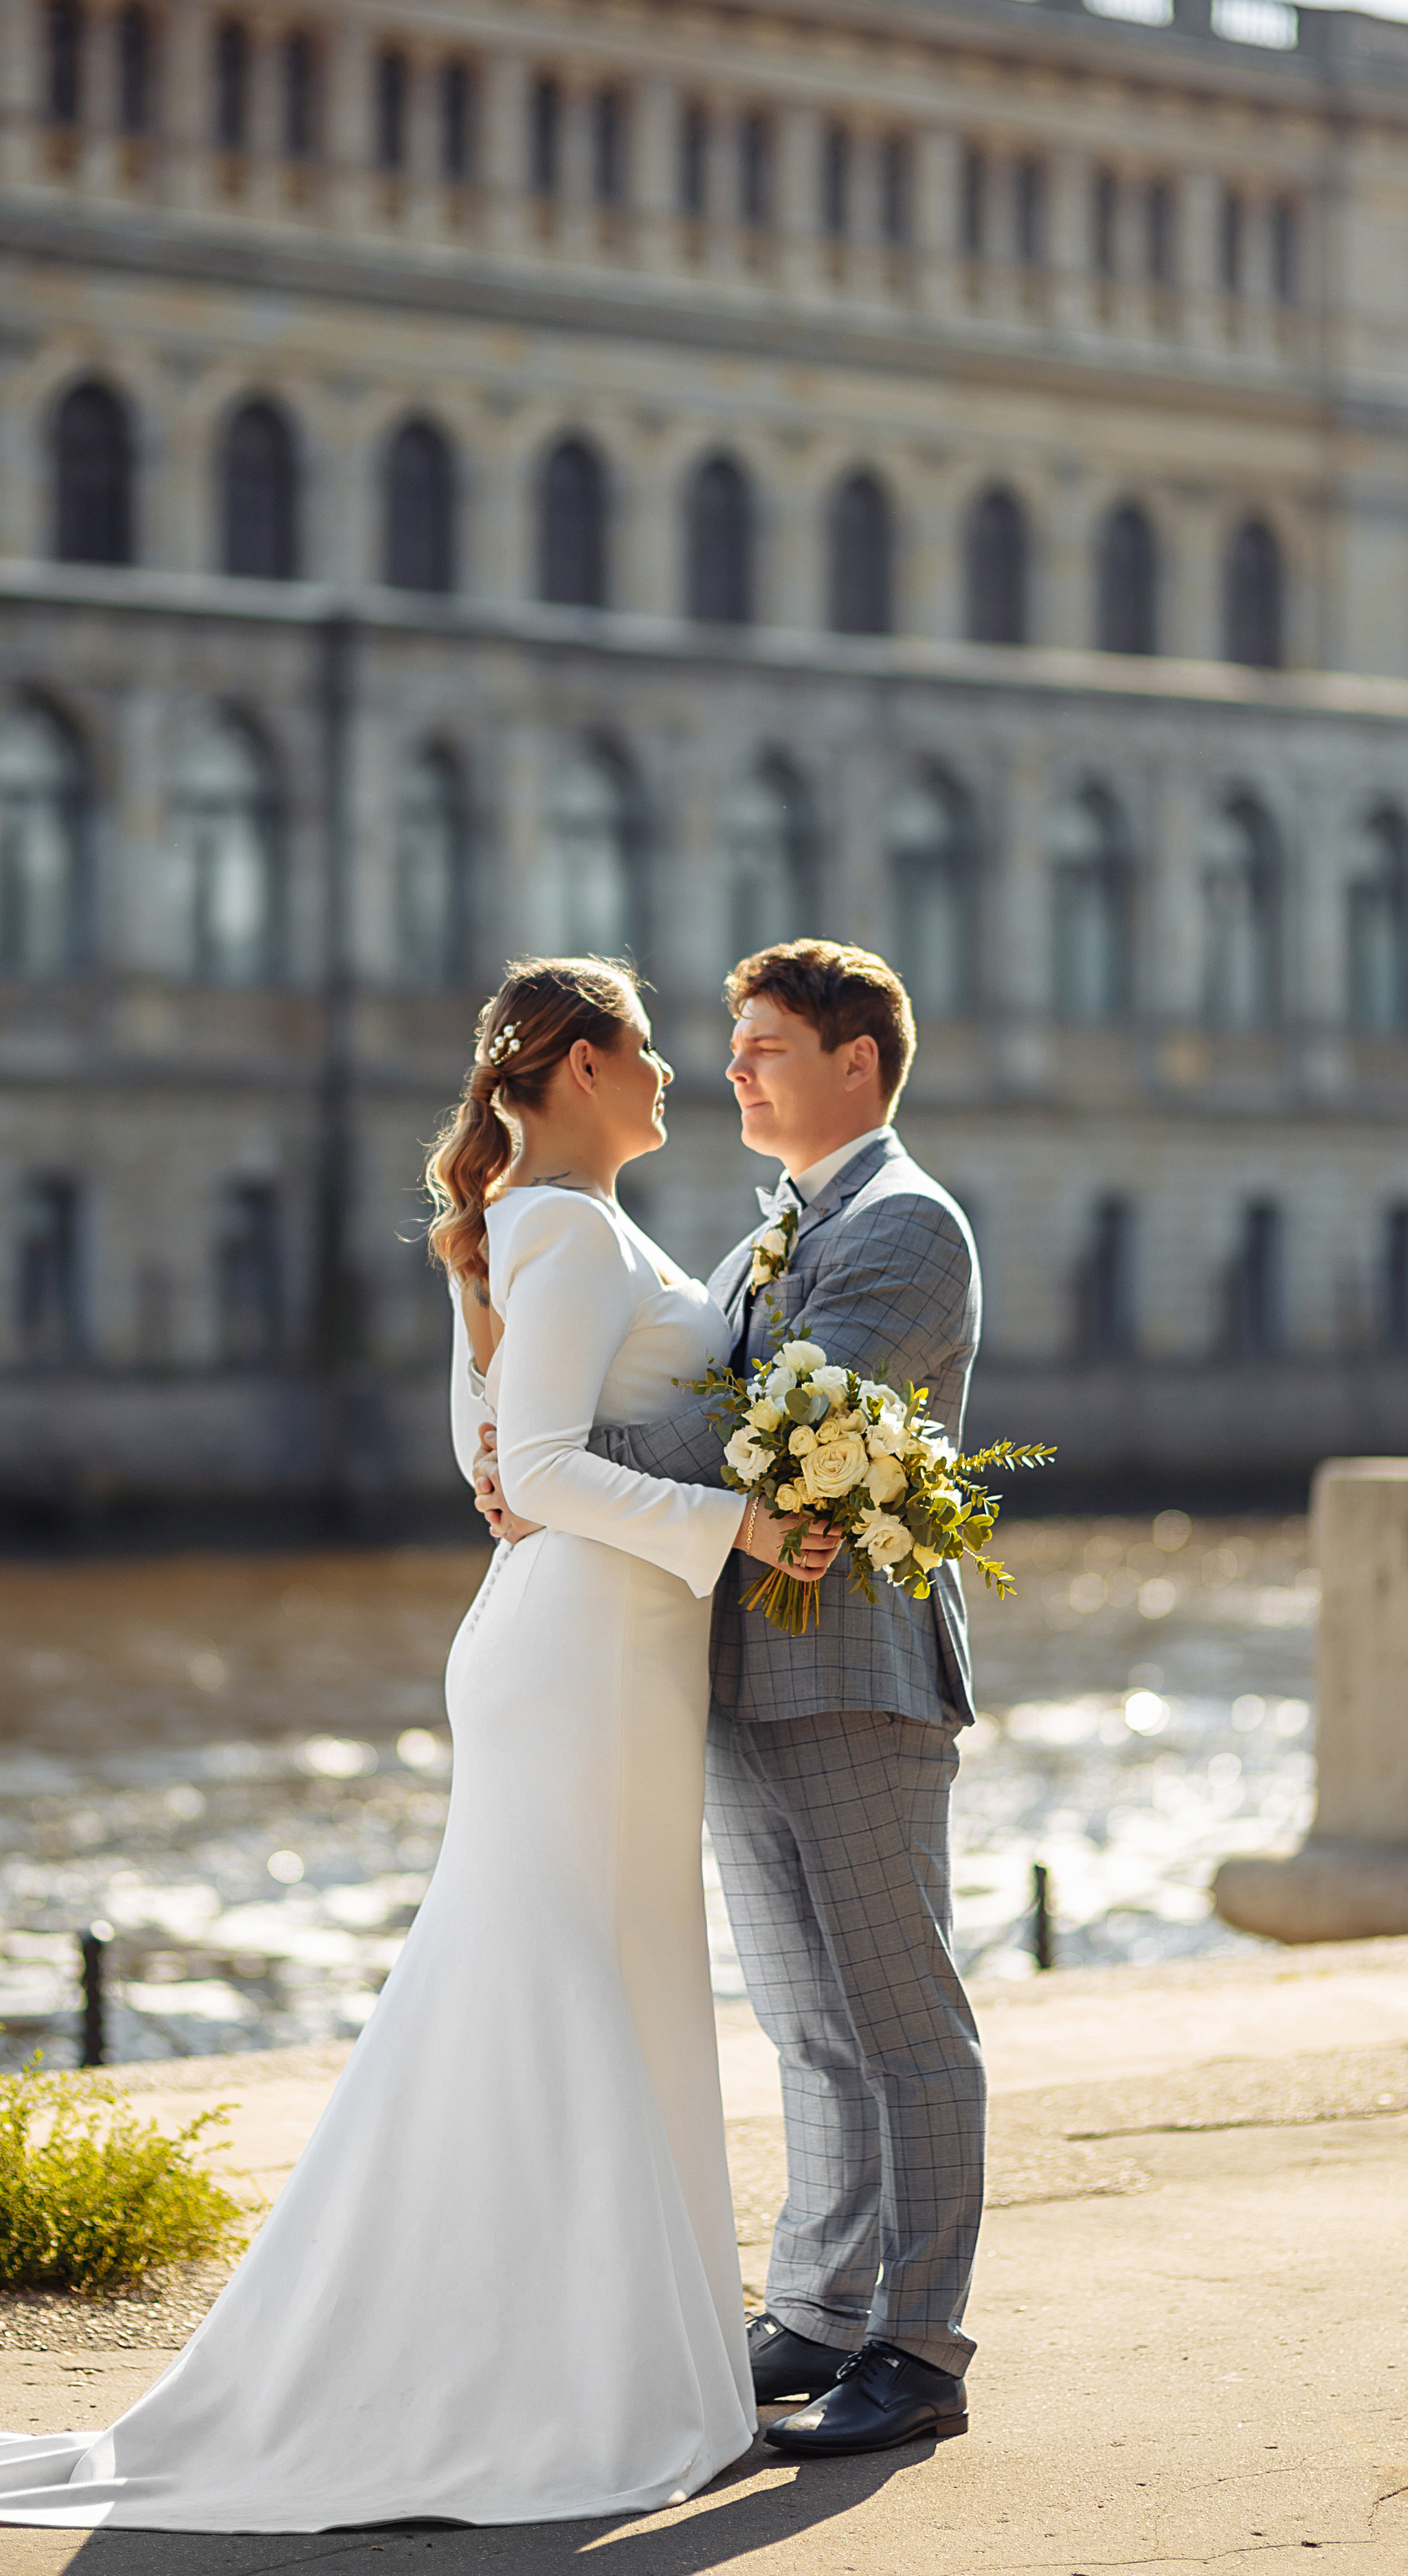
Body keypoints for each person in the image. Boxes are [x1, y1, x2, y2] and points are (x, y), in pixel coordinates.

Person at [0, 956, 840, 2533]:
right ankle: (581, 2383)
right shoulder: (566, 1227)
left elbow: (485, 1461)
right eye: (647, 1050)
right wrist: (751, 1523)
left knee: (590, 1991)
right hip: (583, 1654)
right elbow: (546, 1467)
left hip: (578, 1646)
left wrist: (582, 1493)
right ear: (577, 1063)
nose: (673, 1076)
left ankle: (606, 2366)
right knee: (569, 1996)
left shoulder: (521, 1221)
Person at [476, 939, 985, 2459]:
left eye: (766, 1043)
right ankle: (820, 2312)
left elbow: (771, 1444)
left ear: (857, 1062)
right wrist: (542, 1465)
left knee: (900, 2018)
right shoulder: (771, 1226)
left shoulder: (901, 1227)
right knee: (805, 2018)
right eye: (732, 1040)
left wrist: (558, 1474)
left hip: (854, 1671)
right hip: (740, 1661)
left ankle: (917, 2345)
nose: (736, 1067)